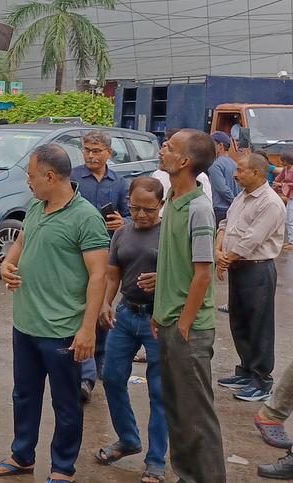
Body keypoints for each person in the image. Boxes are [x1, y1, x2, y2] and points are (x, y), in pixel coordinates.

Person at [0, 144, 108, 483]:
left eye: (31, 176)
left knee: (66, 405)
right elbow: (22, 242)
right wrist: (9, 263)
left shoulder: (86, 218)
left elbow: (99, 275)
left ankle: (62, 469)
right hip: (26, 324)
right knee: (24, 394)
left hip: (63, 330)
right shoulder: (37, 206)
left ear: (51, 177)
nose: (28, 182)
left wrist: (88, 330)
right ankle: (22, 455)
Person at [152, 128, 227, 482]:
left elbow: (202, 274)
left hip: (189, 330)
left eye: (169, 147)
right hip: (169, 322)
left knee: (197, 415)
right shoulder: (171, 197)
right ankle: (186, 476)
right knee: (178, 412)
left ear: (183, 161)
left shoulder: (198, 208)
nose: (162, 149)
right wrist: (160, 311)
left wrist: (183, 323)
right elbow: (173, 266)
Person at [94, 176, 167, 483]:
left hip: (158, 319)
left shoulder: (169, 235)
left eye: (148, 210)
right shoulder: (122, 233)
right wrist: (106, 303)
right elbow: (113, 274)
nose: (140, 215)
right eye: (135, 208)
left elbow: (191, 275)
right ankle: (128, 439)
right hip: (125, 314)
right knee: (111, 377)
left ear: (161, 206)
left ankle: (156, 460)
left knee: (159, 392)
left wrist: (161, 282)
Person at [215, 152, 285, 402]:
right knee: (239, 321)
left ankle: (262, 380)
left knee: (259, 325)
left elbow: (252, 240)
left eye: (240, 169)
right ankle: (246, 371)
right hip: (239, 266)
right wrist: (218, 251)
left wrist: (226, 258)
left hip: (257, 269)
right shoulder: (242, 197)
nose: (235, 174)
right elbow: (225, 225)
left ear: (256, 173)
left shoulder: (270, 202)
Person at [71, 130, 129, 400]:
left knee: (103, 307)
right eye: (87, 150)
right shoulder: (72, 177)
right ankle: (84, 371)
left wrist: (123, 222)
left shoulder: (118, 182)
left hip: (107, 254)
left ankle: (99, 363)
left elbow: (132, 214)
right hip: (74, 253)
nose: (91, 155)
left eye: (96, 151)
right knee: (78, 307)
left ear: (108, 153)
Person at [151, 128, 212, 215]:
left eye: (170, 149)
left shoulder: (200, 210)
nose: (161, 152)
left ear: (184, 162)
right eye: (164, 146)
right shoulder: (171, 196)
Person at [207, 130, 240, 225]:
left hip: (220, 210)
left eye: (211, 144)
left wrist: (234, 201)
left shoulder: (215, 165)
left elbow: (222, 188)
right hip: (232, 209)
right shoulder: (234, 163)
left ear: (220, 146)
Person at [272, 152, 293, 244]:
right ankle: (290, 240)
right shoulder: (285, 169)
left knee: (290, 219)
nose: (280, 161)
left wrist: (281, 184)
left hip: (291, 196)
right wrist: (275, 183)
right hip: (289, 196)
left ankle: (292, 242)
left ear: (286, 161)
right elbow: (278, 179)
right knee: (288, 219)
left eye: (282, 160)